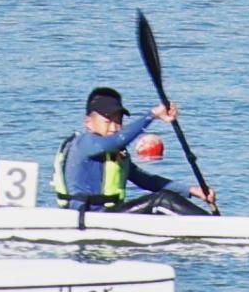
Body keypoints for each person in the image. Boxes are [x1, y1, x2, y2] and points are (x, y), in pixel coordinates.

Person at [57, 87, 212, 214]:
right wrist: (152, 115)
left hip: (110, 217)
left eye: (118, 120)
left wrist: (192, 190)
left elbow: (147, 180)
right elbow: (117, 141)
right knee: (161, 201)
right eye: (107, 120)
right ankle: (213, 227)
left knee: (165, 199)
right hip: (89, 218)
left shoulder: (114, 153)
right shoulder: (84, 143)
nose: (114, 127)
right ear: (88, 122)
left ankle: (209, 227)